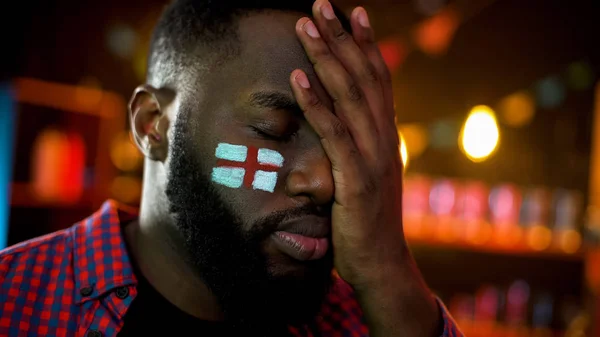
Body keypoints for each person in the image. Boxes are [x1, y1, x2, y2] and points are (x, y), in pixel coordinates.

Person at [0, 0, 463, 336]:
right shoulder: (15, 302)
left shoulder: (371, 321)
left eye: (340, 142)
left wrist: (388, 271)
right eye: (273, 129)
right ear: (152, 126)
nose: (324, 181)